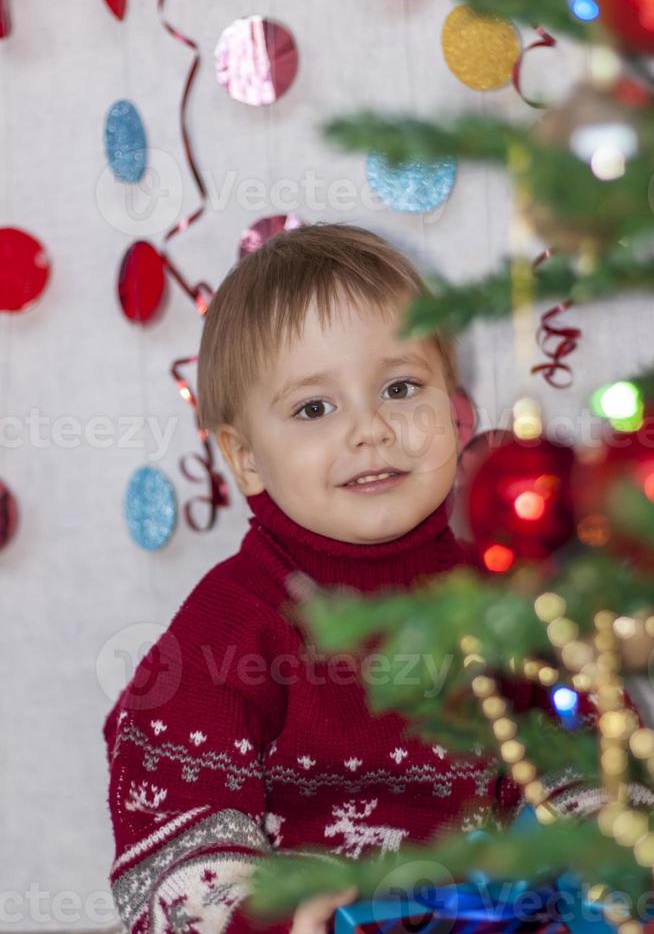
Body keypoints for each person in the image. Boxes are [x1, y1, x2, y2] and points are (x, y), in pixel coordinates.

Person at [101, 223, 619, 934]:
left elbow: (582, 748)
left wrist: (604, 853)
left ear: (452, 407)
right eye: (315, 407)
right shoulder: (231, 623)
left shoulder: (504, 593)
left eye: (401, 387)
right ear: (244, 457)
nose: (371, 428)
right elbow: (179, 817)